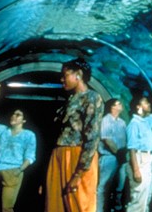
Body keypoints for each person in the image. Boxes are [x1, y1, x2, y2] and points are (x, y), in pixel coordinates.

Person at [45, 58, 103, 212]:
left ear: (79, 74)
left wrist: (79, 173)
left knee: (78, 204)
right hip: (59, 154)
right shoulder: (69, 99)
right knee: (55, 205)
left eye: (65, 75)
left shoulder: (92, 97)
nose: (62, 79)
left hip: (77, 155)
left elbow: (92, 137)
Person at [0, 108, 37, 212]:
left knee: (6, 208)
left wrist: (19, 170)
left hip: (12, 172)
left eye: (18, 115)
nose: (13, 116)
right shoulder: (3, 131)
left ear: (24, 120)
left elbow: (30, 155)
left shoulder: (29, 135)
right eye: (13, 114)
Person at [97, 98, 127, 212]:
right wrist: (118, 153)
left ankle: (116, 208)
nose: (121, 105)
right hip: (109, 157)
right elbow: (107, 139)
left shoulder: (122, 122)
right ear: (112, 107)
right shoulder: (106, 120)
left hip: (121, 158)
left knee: (119, 186)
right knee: (103, 186)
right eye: (118, 104)